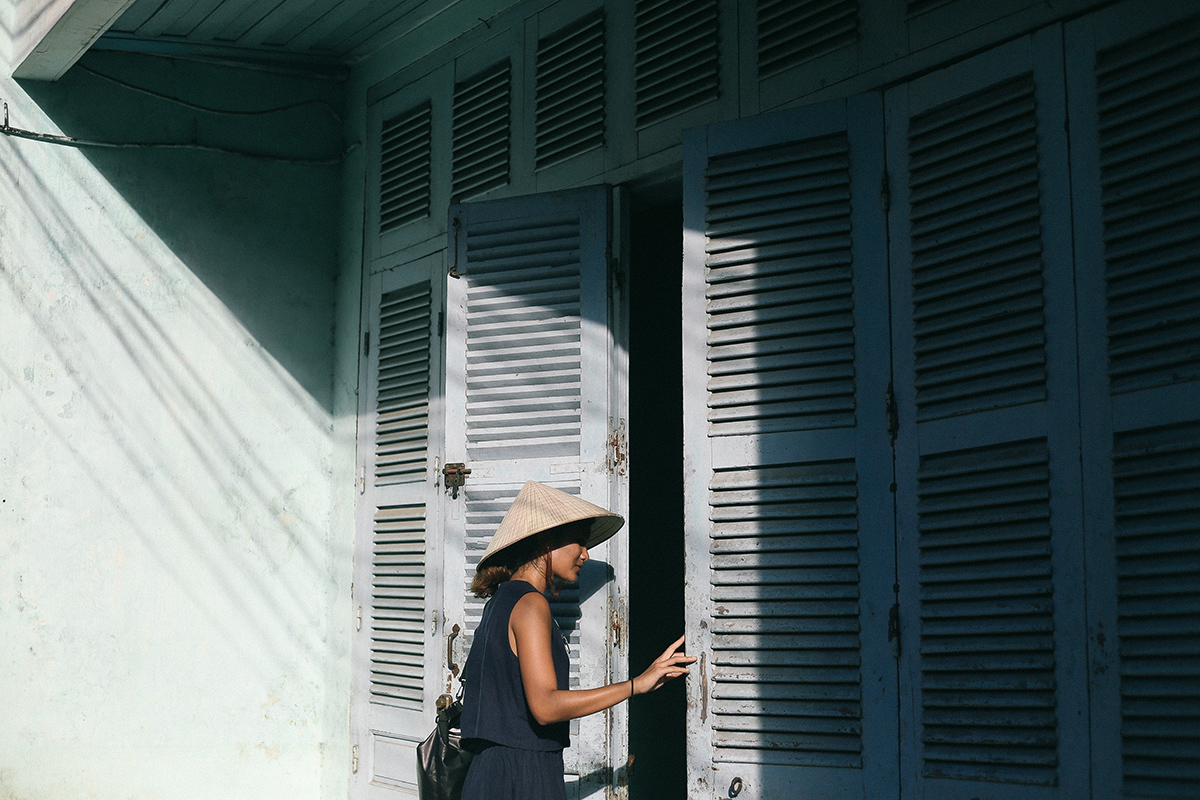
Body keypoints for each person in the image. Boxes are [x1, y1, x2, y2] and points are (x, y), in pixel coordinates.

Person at [458, 480, 693, 800]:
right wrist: (636, 685)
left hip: (487, 773)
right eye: (579, 542)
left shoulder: (500, 601)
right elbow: (545, 707)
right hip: (524, 773)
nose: (585, 554)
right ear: (545, 542)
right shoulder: (531, 604)